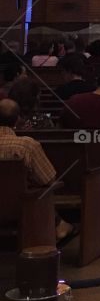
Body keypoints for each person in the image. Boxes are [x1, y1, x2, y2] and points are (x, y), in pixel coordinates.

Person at [0, 99, 75, 244]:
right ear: (17, 119)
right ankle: (59, 227)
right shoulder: (27, 145)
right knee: (40, 190)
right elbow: (48, 180)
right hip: (21, 208)